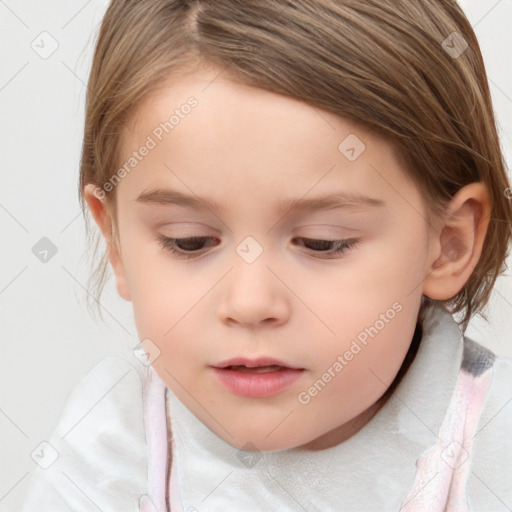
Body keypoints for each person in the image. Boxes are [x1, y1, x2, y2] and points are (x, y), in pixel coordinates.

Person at [21, 0, 512, 510]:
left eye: (323, 242)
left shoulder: (496, 445)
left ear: (448, 244)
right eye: (188, 240)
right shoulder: (113, 440)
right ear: (116, 240)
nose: (250, 302)